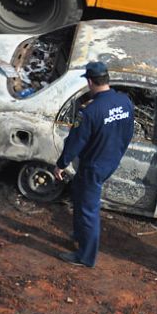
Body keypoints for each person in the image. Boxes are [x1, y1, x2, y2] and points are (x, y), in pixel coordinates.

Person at [53, 61, 134, 268]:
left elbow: (75, 142)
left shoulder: (90, 111)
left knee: (88, 209)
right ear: (107, 79)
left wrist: (61, 164)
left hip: (93, 166)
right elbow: (128, 133)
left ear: (90, 82)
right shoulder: (124, 102)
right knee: (80, 197)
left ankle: (85, 257)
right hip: (110, 161)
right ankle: (80, 235)